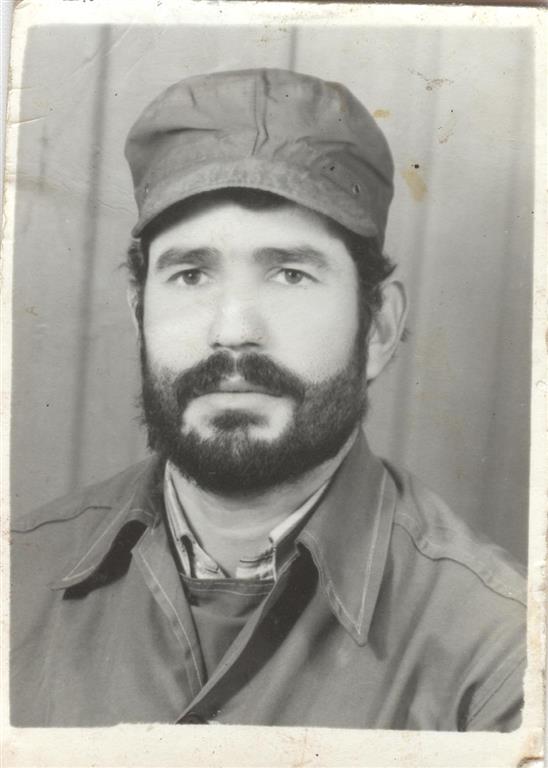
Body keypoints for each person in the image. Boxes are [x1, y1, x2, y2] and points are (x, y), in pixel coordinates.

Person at [10, 69, 526, 729]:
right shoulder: (15, 581)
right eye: (190, 275)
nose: (232, 331)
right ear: (140, 314)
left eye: (289, 273)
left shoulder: (501, 659)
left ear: (378, 327)